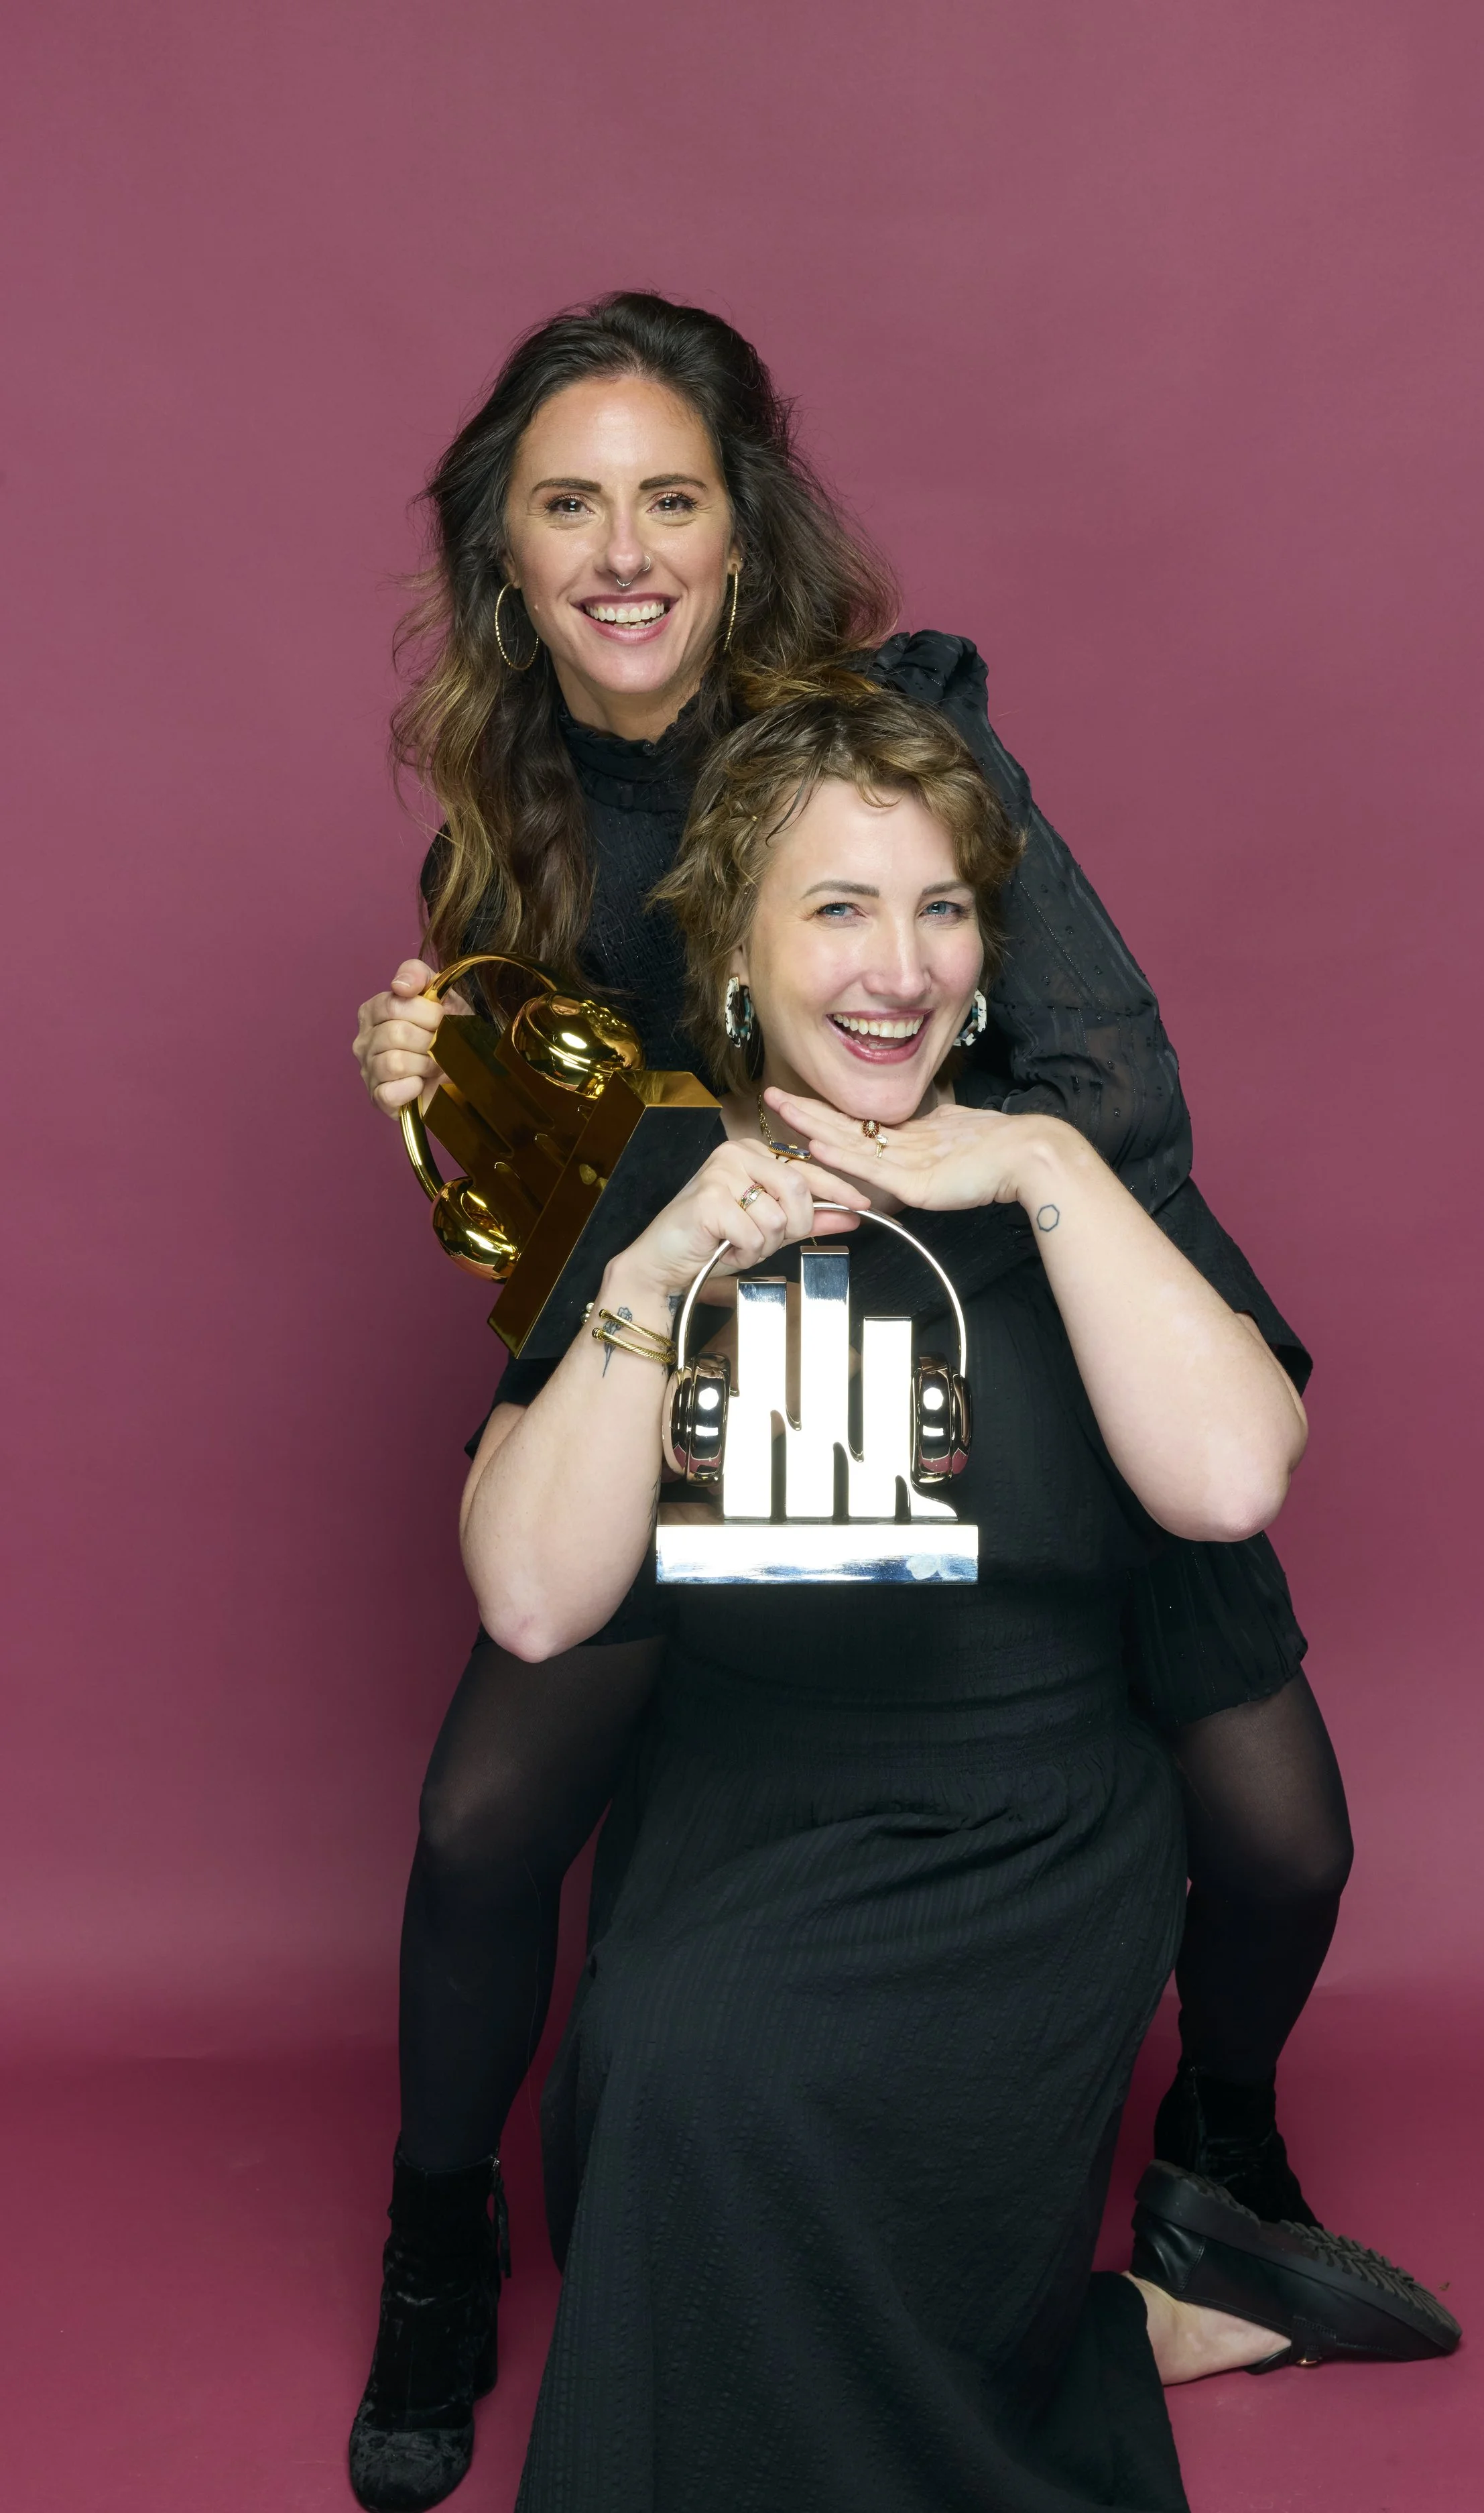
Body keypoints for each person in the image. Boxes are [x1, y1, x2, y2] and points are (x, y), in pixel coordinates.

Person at [348, 293, 1381, 2512]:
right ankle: (442, 2234)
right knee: (480, 1815)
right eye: (568, 505)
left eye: (671, 499)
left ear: (745, 530)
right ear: (503, 547)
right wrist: (451, 1096)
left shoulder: (890, 744)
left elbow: (1104, 1075)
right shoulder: (507, 815)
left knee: (1284, 1824)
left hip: (1027, 1304)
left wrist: (999, 1215)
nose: (624, 551)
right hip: (726, 1319)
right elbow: (555, 1202)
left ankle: (1218, 2158)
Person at [458, 679, 1453, 2513]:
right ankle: (1141, 2328)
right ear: (736, 953)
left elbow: (1232, 1479)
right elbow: (530, 1598)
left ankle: (1085, 2332)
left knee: (740, 2111)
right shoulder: (658, 1180)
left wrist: (1043, 1164)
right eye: (839, 909)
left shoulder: (1069, 1170)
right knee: (669, 2112)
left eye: (940, 910)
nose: (898, 968)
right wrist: (662, 1268)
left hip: (1028, 1834)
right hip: (745, 1813)